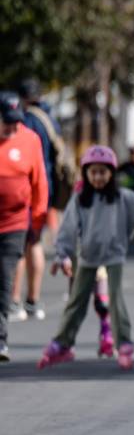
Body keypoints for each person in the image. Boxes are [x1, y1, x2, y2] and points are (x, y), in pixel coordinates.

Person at [40, 146, 134, 371]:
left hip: (114, 255)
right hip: (87, 257)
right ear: (86, 174)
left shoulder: (122, 197)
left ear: (112, 173)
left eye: (103, 172)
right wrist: (62, 254)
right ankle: (63, 343)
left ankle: (123, 343)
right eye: (93, 172)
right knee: (76, 301)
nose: (98, 177)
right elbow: (67, 229)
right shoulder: (80, 199)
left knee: (115, 300)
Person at [0, 92, 49, 362]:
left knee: (4, 278)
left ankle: (0, 340)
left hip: (14, 223)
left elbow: (39, 180)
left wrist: (39, 217)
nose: (13, 127)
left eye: (16, 121)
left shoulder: (30, 140)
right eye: (7, 121)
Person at [10, 79, 63, 322]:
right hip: (46, 188)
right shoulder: (49, 119)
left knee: (19, 246)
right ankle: (33, 301)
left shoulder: (26, 121)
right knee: (35, 242)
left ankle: (14, 301)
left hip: (27, 188)